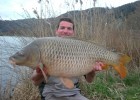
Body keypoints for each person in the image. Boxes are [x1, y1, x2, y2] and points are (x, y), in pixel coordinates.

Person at [31, 18, 103, 100]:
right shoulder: (46, 47)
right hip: (50, 94)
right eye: (62, 28)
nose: (65, 31)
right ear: (56, 31)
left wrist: (92, 70)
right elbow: (35, 81)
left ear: (73, 32)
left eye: (69, 28)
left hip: (74, 93)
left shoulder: (81, 48)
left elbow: (89, 80)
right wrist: (41, 72)